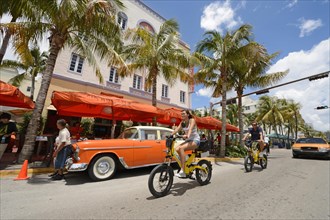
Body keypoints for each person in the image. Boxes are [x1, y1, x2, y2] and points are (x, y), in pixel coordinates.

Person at [171, 110, 200, 178]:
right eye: (181, 114)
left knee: (181, 148)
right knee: (177, 149)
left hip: (195, 140)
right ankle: (187, 163)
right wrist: (170, 135)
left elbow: (190, 129)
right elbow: (176, 130)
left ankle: (183, 171)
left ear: (188, 114)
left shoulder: (192, 120)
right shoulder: (182, 123)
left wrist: (188, 135)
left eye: (183, 114)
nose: (182, 115)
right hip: (188, 140)